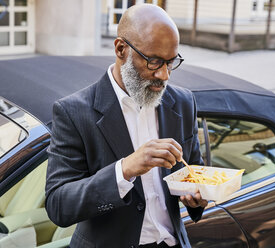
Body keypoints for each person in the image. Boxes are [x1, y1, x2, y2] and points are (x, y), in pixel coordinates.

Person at [45, 4, 207, 248]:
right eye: (154, 62)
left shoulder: (183, 102)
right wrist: (125, 169)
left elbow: (195, 172)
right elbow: (59, 205)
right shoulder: (73, 112)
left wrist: (197, 197)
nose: (164, 75)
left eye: (171, 62)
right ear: (121, 49)